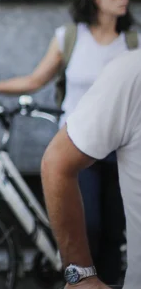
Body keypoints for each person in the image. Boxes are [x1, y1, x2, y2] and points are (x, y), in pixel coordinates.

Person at [0, 0, 136, 284]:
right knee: (90, 225)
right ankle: (80, 279)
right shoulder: (70, 37)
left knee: (115, 229)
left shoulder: (132, 42)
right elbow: (35, 80)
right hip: (78, 143)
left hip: (120, 148)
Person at [41, 49, 141, 288]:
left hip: (112, 148)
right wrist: (80, 277)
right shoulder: (131, 70)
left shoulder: (128, 39)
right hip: (90, 138)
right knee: (93, 225)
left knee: (113, 232)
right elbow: (56, 162)